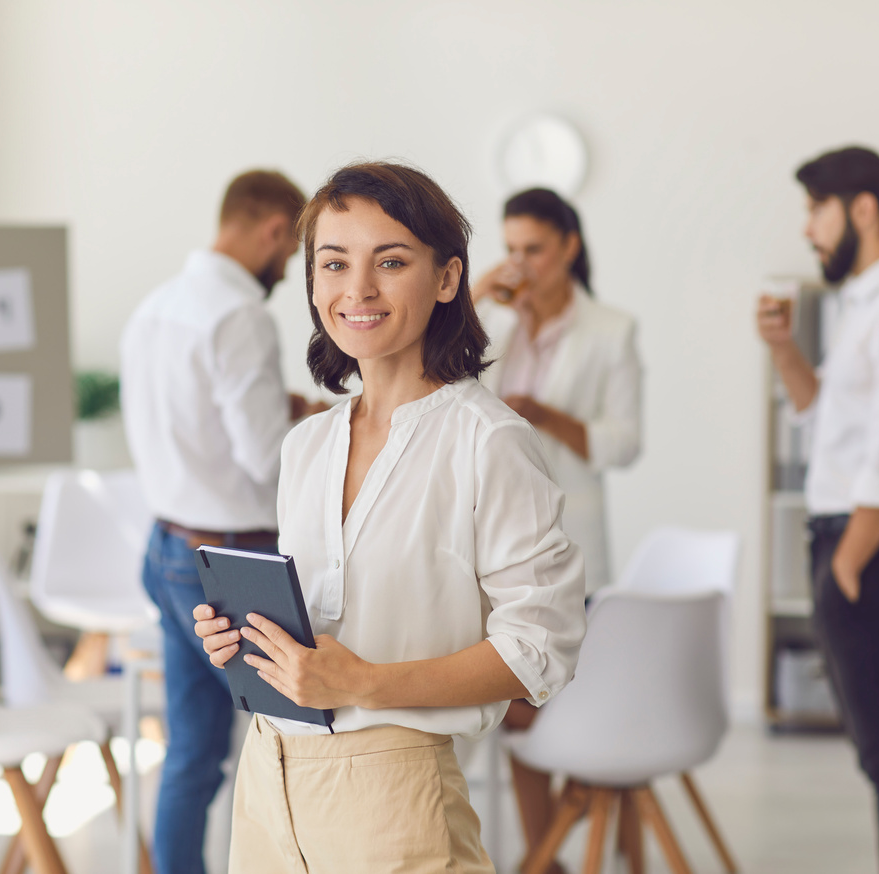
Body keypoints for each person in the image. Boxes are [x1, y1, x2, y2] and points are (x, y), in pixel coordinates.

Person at [192, 162, 588, 873]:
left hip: (394, 794)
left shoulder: (487, 440)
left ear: (446, 279)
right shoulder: (307, 444)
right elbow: (320, 629)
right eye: (334, 263)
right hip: (267, 780)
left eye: (391, 261)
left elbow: (540, 649)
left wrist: (366, 682)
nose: (358, 290)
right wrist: (246, 642)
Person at [757, 145, 879, 874]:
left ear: (862, 210)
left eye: (817, 209)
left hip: (871, 546)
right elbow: (826, 419)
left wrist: (845, 565)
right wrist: (782, 349)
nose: (809, 229)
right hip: (854, 544)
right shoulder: (866, 301)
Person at [120, 169, 318, 874]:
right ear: (272, 230)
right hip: (229, 564)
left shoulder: (157, 306)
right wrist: (331, 429)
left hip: (167, 546)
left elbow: (189, 427)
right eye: (291, 254)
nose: (285, 269)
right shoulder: (240, 315)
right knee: (296, 743)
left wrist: (283, 406)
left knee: (193, 752)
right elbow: (265, 459)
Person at [471, 188, 642, 865]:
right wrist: (479, 294)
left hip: (575, 551)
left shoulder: (612, 330)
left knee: (565, 709)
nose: (522, 263)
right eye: (510, 250)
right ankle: (549, 856)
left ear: (569, 246)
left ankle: (555, 852)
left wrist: (545, 413)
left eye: (533, 249)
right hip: (498, 544)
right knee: (519, 707)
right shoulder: (499, 328)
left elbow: (624, 443)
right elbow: (443, 384)